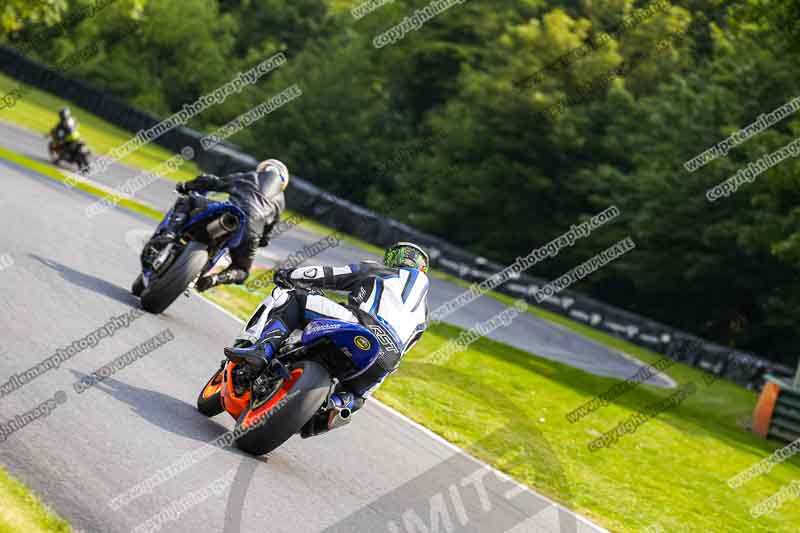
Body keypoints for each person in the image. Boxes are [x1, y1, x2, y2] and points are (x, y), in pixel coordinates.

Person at [227, 242, 431, 435]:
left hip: (359, 325)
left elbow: (330, 275)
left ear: (394, 258)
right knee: (357, 398)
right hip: (385, 361)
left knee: (294, 298)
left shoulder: (380, 271)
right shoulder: (423, 316)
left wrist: (290, 274)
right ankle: (329, 412)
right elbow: (404, 349)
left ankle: (261, 352)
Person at [156, 159, 289, 291]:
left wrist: (186, 186)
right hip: (251, 233)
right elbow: (268, 232)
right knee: (242, 270)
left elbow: (214, 182)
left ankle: (169, 233)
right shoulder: (280, 201)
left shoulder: (251, 176)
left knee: (187, 200)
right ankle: (214, 279)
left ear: (263, 169)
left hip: (228, 211)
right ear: (283, 182)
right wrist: (262, 241)